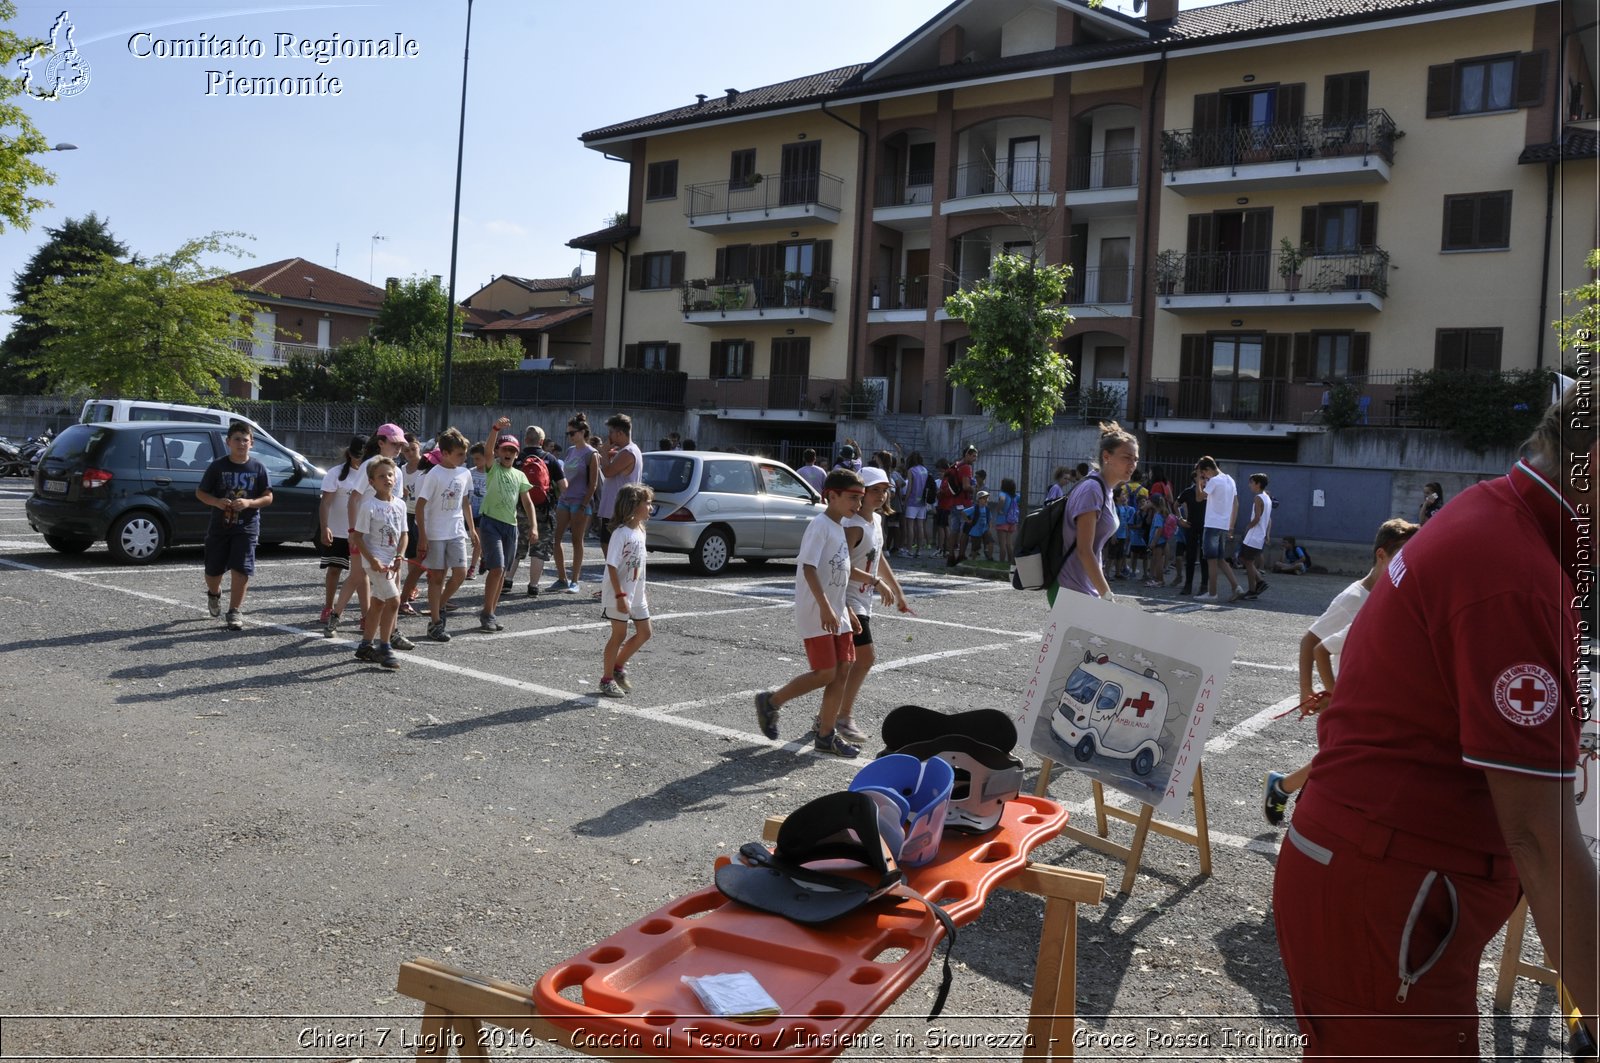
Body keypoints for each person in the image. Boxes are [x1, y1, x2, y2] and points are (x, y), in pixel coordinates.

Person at [1273, 387, 1597, 1055]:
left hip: (1383, 881)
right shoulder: (1517, 572)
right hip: (1391, 893)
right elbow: (1540, 837)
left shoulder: (1497, 517)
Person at [1263, 518, 1420, 827]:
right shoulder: (1353, 600)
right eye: (1402, 555)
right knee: (1341, 761)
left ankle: (1285, 789)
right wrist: (1310, 691)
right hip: (1346, 697)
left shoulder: (1388, 595)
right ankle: (1295, 802)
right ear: (1381, 555)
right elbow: (1311, 642)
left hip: (1366, 696)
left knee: (1341, 759)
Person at [753, 468, 867, 758]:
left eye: (860, 498)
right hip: (818, 611)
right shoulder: (820, 525)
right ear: (832, 495)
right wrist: (828, 608)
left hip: (835, 612)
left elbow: (837, 573)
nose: (858, 504)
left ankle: (826, 735)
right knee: (826, 672)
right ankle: (771, 701)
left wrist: (847, 610)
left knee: (842, 670)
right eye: (853, 497)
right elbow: (809, 567)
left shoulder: (839, 528)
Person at [834, 466, 908, 742]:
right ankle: (842, 717)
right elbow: (839, 567)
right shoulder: (852, 526)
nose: (881, 495)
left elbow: (878, 556)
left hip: (862, 600)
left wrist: (898, 590)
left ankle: (828, 716)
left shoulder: (874, 521)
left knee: (846, 663)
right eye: (874, 490)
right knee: (864, 659)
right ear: (860, 493)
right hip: (847, 599)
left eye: (884, 490)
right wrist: (876, 584)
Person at [195, 420, 274, 631]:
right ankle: (214, 593)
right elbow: (201, 493)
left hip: (246, 526)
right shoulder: (218, 466)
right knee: (213, 570)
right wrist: (216, 502)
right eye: (237, 440)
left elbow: (268, 496)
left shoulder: (258, 468)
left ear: (252, 443)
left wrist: (249, 503)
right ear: (228, 442)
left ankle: (234, 611)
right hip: (220, 525)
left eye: (245, 440)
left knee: (241, 567)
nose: (241, 444)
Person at [1048, 421, 1136, 606]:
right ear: (1107, 456)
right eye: (1127, 457)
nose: (1133, 464)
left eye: (1135, 459)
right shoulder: (1092, 490)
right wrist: (1107, 595)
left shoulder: (1105, 490)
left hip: (1083, 587)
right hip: (1070, 587)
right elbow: (1084, 550)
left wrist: (1100, 590)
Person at [341, 425, 411, 650]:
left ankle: (385, 635)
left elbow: (396, 510)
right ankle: (382, 643)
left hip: (389, 543)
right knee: (368, 583)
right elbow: (354, 498)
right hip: (369, 538)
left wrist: (400, 549)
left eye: (401, 444)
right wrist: (353, 532)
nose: (399, 448)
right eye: (394, 443)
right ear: (381, 442)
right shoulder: (369, 468)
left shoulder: (397, 471)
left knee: (385, 594)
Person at [414, 428, 479, 644]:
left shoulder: (465, 473)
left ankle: (439, 605)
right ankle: (435, 622)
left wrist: (472, 530)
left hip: (456, 531)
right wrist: (423, 536)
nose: (464, 458)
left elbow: (465, 502)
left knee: (460, 573)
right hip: (435, 533)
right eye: (459, 454)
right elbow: (420, 506)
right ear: (445, 453)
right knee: (437, 577)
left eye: (465, 453)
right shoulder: (434, 474)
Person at [349, 456, 406, 670]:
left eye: (390, 475)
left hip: (390, 562)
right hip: (374, 562)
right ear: (371, 482)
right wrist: (372, 560)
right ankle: (385, 645)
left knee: (380, 603)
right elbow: (358, 537)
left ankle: (365, 645)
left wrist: (399, 555)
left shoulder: (399, 504)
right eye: (381, 476)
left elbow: (404, 535)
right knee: (394, 601)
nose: (387, 479)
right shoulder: (368, 505)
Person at [476, 434, 537, 632]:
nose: (508, 453)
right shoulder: (493, 468)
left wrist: (534, 526)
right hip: (490, 523)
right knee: (497, 568)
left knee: (503, 571)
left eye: (512, 450)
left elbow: (527, 502)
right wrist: (495, 430)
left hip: (510, 526)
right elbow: (487, 451)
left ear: (517, 454)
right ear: (498, 452)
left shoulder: (520, 475)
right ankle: (486, 613)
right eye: (504, 449)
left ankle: (491, 613)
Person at [598, 483, 654, 698]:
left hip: (636, 595)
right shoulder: (620, 534)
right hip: (618, 594)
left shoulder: (640, 530)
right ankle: (606, 679)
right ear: (633, 506)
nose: (650, 508)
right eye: (646, 503)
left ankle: (618, 667)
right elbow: (611, 566)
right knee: (619, 634)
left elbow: (637, 567)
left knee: (645, 633)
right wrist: (621, 596)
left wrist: (640, 592)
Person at [317, 434, 365, 636]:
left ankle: (366, 615)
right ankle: (328, 607)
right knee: (334, 570)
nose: (358, 460)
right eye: (356, 455)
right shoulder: (336, 473)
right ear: (349, 453)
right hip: (338, 531)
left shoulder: (371, 474)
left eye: (362, 456)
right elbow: (325, 502)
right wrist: (324, 526)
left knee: (363, 576)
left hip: (361, 532)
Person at [551, 416, 599, 593]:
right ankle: (562, 578)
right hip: (565, 500)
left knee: (577, 540)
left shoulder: (591, 454)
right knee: (556, 539)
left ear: (582, 432)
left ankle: (575, 580)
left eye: (572, 433)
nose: (569, 436)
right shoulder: (571, 450)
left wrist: (583, 504)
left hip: (580, 502)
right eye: (567, 433)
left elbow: (593, 484)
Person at [1195, 456, 1242, 603]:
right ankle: (1236, 587)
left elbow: (1199, 498)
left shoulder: (1214, 481)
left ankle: (1212, 593)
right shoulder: (1230, 479)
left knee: (1211, 560)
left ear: (1208, 470)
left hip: (1212, 524)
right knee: (1221, 559)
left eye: (1203, 474)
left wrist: (1198, 482)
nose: (1204, 477)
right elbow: (1236, 504)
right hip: (1223, 525)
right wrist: (1231, 526)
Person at [596, 413, 642, 550]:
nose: (608, 436)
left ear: (620, 433)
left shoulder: (628, 452)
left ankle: (613, 572)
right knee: (608, 545)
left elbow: (608, 472)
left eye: (611, 432)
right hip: (614, 509)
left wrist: (604, 452)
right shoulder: (625, 451)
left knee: (613, 549)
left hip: (618, 510)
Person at [1238, 473, 1272, 599]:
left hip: (1254, 535)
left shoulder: (1258, 498)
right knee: (1245, 559)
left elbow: (1257, 518)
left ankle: (1253, 589)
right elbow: (1267, 519)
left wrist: (1248, 526)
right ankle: (1260, 583)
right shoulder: (1267, 498)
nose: (1250, 485)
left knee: (1247, 561)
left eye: (1251, 482)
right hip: (1259, 536)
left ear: (1258, 484)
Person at [942, 445, 977, 566]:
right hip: (964, 503)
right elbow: (966, 486)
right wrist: (975, 489)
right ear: (967, 455)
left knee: (954, 530)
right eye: (973, 456)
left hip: (954, 502)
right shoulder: (966, 467)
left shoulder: (956, 465)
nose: (975, 459)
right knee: (965, 530)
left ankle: (951, 555)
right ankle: (961, 555)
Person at [1174, 469, 1206, 595]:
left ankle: (1204, 586)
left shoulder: (1208, 492)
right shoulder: (1188, 492)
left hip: (1205, 527)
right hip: (1191, 526)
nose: (1204, 480)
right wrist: (1180, 519)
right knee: (1190, 557)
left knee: (1204, 557)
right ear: (1195, 479)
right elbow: (1176, 504)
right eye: (1202, 478)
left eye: (1205, 478)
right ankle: (1188, 585)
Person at [464, 442, 488, 579]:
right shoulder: (470, 473)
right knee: (477, 540)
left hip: (483, 512)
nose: (475, 461)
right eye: (474, 458)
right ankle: (484, 557)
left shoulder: (492, 473)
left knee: (477, 539)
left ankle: (472, 568)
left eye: (478, 458)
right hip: (470, 511)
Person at [901, 452, 929, 557]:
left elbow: (909, 488)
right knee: (920, 526)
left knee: (910, 526)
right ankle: (919, 550)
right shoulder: (925, 470)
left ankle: (909, 550)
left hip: (912, 501)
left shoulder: (911, 470)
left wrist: (906, 501)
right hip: (923, 501)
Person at [994, 477, 1020, 565]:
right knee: (1009, 544)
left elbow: (1002, 499)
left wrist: (998, 509)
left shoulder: (1003, 493)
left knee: (1002, 544)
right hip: (1012, 522)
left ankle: (1001, 562)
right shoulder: (1015, 496)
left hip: (1002, 521)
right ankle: (1010, 562)